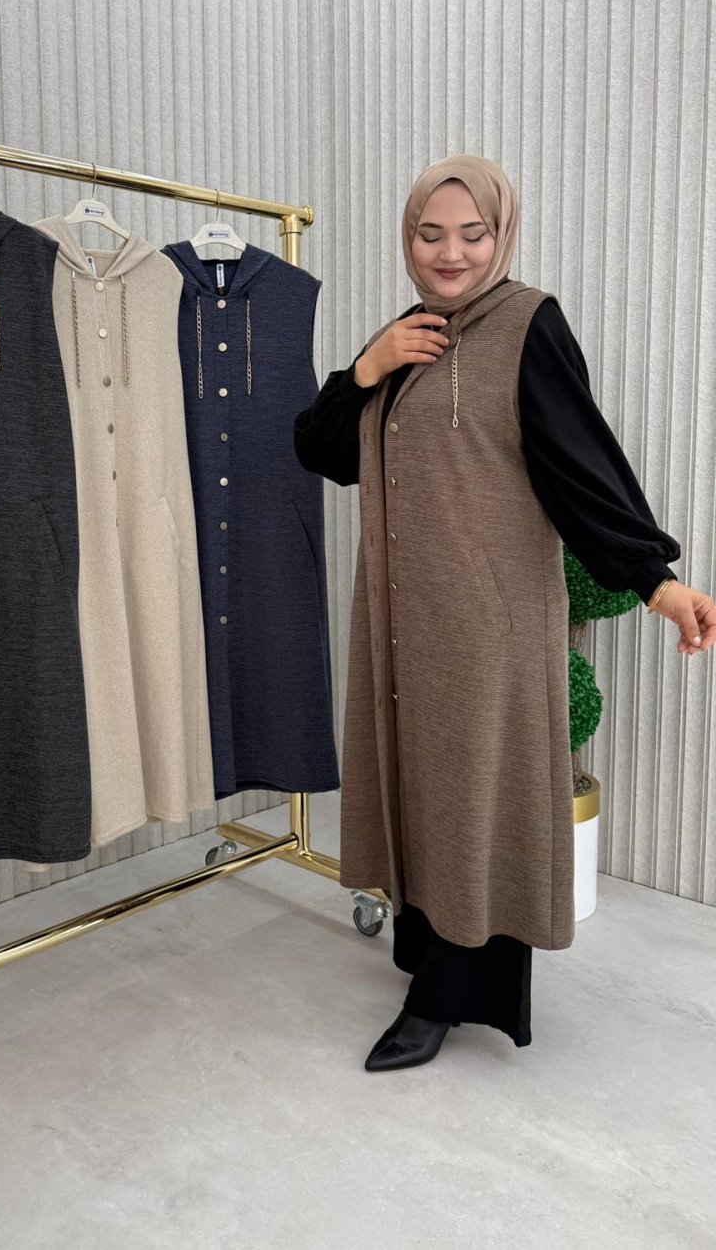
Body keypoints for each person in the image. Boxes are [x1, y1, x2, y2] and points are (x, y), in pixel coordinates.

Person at [294, 155, 716, 1071]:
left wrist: (657, 583)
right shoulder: (407, 333)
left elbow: (581, 466)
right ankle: (426, 953)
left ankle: (447, 997)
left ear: (502, 235)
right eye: (429, 234)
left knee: (470, 803)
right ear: (407, 238)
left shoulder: (529, 325)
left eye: (472, 234)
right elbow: (322, 451)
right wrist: (366, 367)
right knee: (421, 789)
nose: (449, 253)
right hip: (403, 624)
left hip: (486, 629)